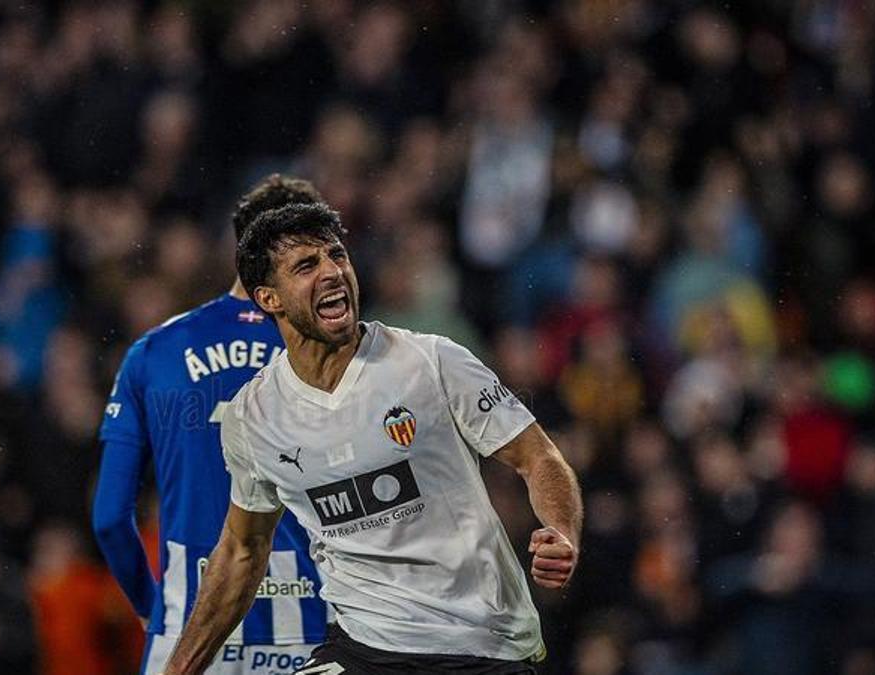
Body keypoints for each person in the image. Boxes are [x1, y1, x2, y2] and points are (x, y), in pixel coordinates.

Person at [165, 203, 584, 674]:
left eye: (337, 256)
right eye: (307, 265)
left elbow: (539, 457)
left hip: (480, 644)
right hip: (363, 647)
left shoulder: (432, 362)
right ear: (269, 298)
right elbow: (243, 550)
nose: (332, 272)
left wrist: (561, 531)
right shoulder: (254, 416)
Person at [93, 175, 332, 674]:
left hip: (189, 628)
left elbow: (111, 517)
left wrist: (148, 607)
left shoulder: (154, 352)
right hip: (307, 629)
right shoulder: (330, 354)